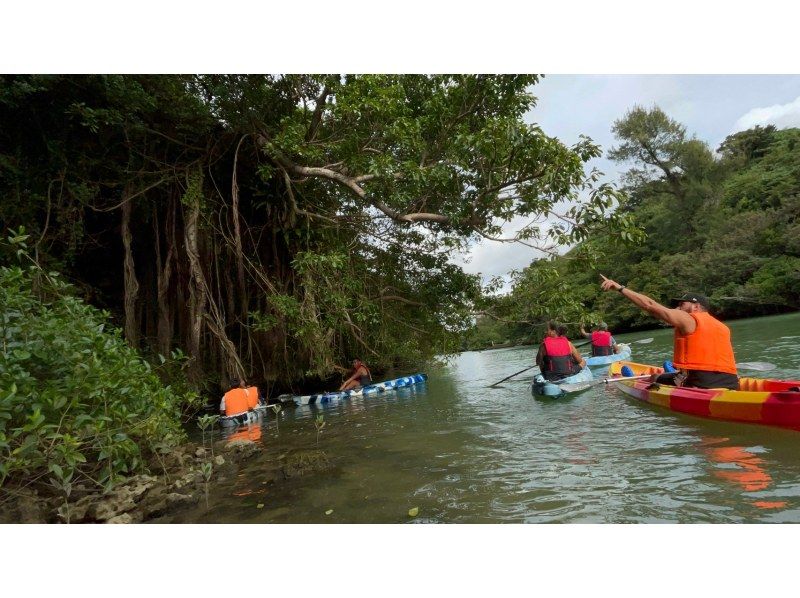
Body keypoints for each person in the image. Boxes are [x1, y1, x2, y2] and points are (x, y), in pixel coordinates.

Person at [599, 275, 738, 389]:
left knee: (654, 377)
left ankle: (642, 376)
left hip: (701, 383)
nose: (678, 308)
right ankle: (675, 372)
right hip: (732, 382)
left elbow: (650, 305)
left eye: (682, 304)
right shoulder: (722, 327)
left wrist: (620, 288)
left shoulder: (689, 319)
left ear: (696, 307)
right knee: (674, 374)